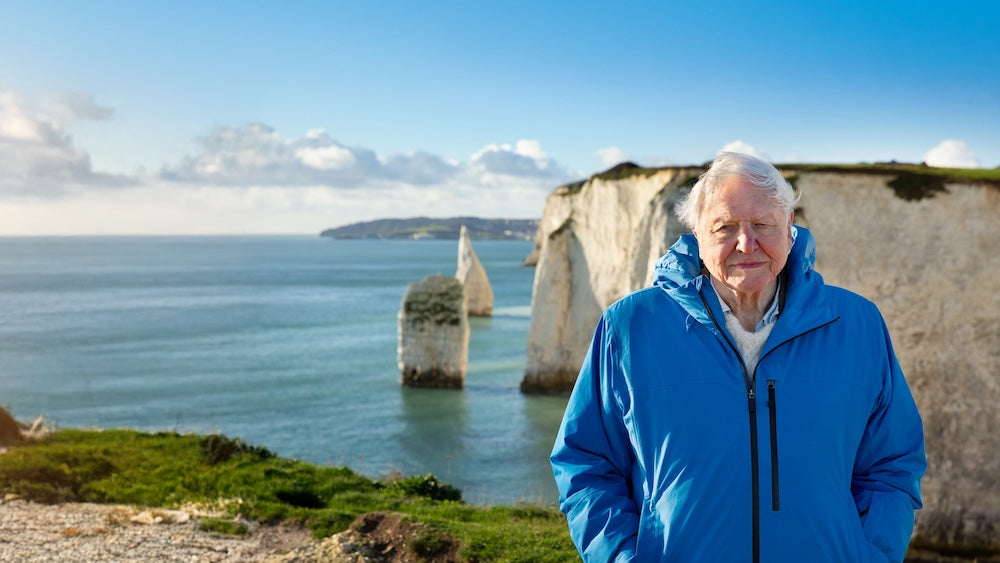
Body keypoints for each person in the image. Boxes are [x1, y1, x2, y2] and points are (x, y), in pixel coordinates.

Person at [550, 151, 926, 562]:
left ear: (790, 228)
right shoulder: (629, 326)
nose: (746, 243)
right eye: (725, 227)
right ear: (697, 234)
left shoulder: (856, 324)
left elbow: (892, 464)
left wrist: (868, 555)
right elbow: (586, 464)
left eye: (762, 224)